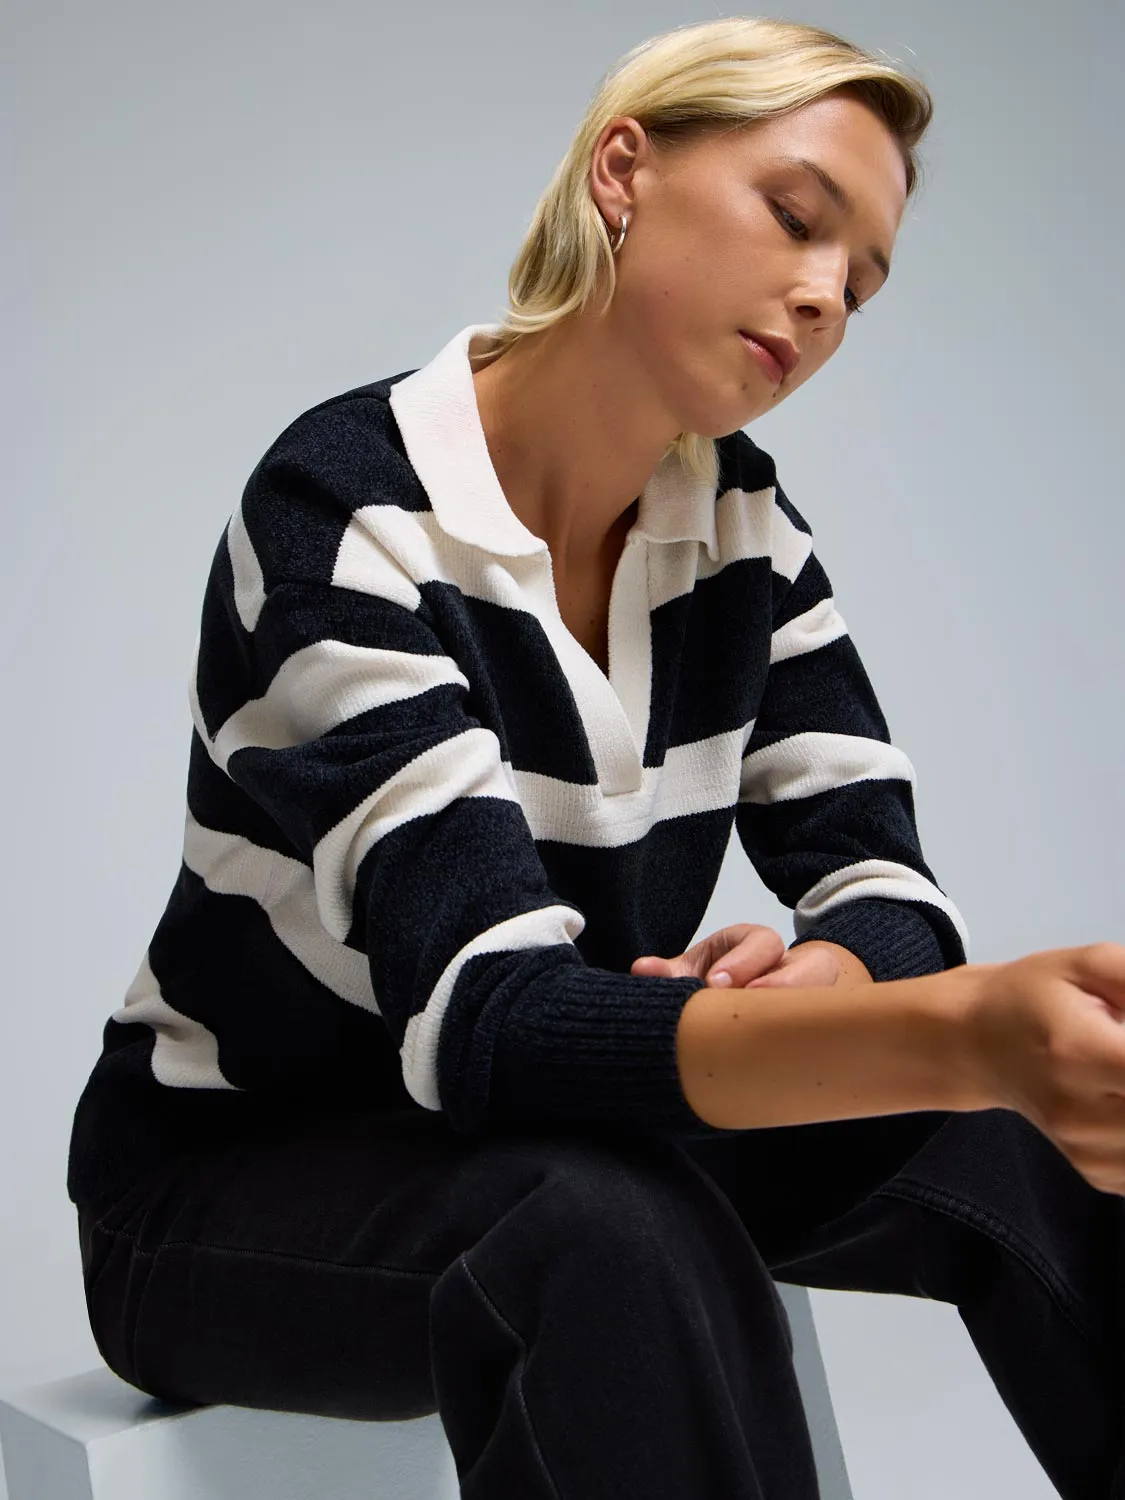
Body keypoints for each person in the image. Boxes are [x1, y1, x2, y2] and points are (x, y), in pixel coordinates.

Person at [66, 16, 1125, 1500]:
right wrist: (947, 1025)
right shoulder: (346, 515)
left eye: (861, 286)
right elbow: (489, 1023)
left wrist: (846, 984)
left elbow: (881, 875)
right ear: (624, 170)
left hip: (559, 1124)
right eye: (796, 217)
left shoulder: (743, 529)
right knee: (604, 1223)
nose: (822, 297)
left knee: (1025, 1140)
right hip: (223, 1185)